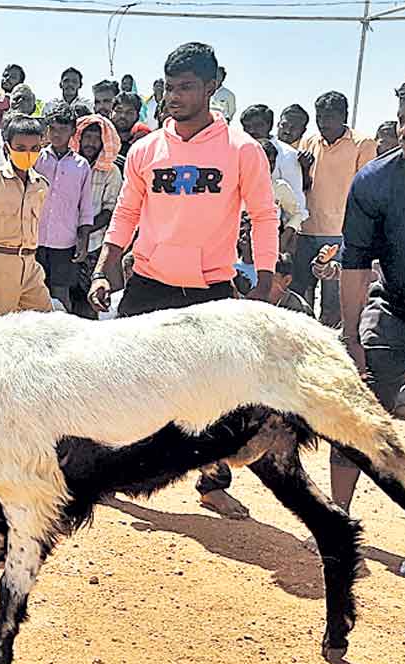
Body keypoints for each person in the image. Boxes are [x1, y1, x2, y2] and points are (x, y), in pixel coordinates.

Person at [87, 42, 278, 521]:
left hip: (211, 291)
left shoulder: (242, 150)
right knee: (120, 382)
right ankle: (107, 473)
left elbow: (263, 214)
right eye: (170, 87)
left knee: (217, 396)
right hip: (150, 282)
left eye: (187, 87)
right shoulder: (147, 149)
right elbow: (127, 210)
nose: (175, 96)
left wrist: (268, 277)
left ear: (212, 86)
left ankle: (212, 483)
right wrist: (105, 265)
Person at [331, 67, 405, 515]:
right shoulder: (375, 181)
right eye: (400, 118)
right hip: (396, 306)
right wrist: (352, 339)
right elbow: (354, 265)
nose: (403, 129)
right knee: (356, 410)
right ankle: (336, 519)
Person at [294, 91, 378, 328]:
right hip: (306, 230)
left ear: (344, 116)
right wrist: (302, 168)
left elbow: (365, 190)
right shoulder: (309, 142)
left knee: (333, 303)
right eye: (320, 117)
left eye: (329, 117)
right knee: (301, 296)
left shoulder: (363, 144)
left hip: (340, 234)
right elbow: (303, 185)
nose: (323, 123)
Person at [0, 114, 51, 323]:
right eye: (21, 148)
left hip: (30, 263)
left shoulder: (41, 185)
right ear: (7, 148)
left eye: (34, 149)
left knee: (45, 324)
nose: (28, 154)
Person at [35, 105, 94, 313]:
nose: (57, 134)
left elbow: (85, 206)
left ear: (72, 132)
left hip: (64, 242)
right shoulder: (36, 159)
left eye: (63, 129)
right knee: (34, 292)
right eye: (53, 128)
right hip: (34, 240)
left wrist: (83, 240)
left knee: (61, 295)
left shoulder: (81, 165)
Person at [71, 113, 123, 318]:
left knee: (92, 294)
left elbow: (110, 211)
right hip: (64, 242)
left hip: (94, 244)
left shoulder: (111, 172)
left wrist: (84, 231)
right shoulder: (69, 166)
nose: (91, 143)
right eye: (87, 137)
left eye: (96, 138)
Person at [239, 104, 309, 225]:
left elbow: (296, 204)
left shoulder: (287, 155)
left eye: (257, 126)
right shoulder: (238, 150)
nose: (251, 131)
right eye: (247, 126)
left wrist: (287, 234)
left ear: (269, 126)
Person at [258, 139, 306, 253]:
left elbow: (298, 214)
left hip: (268, 250)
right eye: (264, 161)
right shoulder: (235, 187)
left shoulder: (279, 188)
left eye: (272, 162)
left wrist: (285, 236)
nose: (269, 166)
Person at [112, 91, 153, 157]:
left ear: (137, 116)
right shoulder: (100, 139)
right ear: (111, 112)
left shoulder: (144, 144)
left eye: (129, 112)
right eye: (119, 110)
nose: (123, 115)